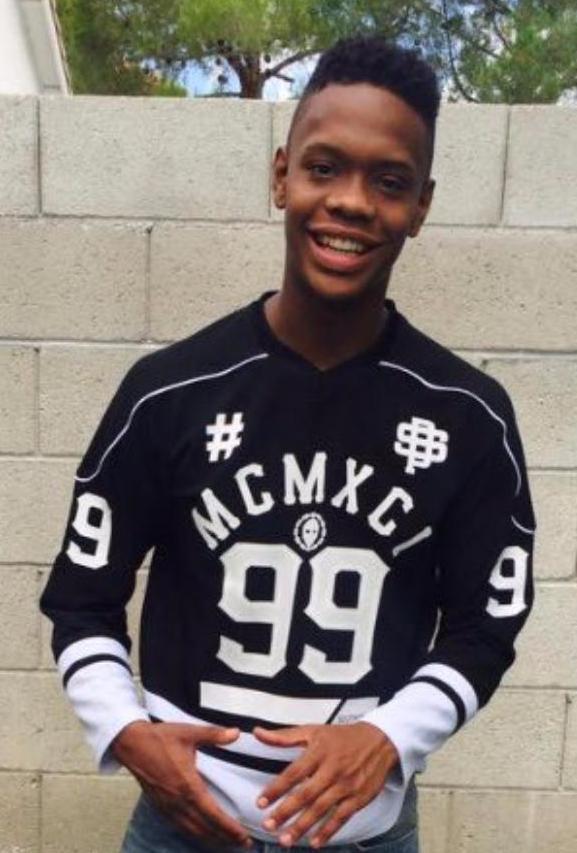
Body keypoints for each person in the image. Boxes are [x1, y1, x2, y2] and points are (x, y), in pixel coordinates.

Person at [40, 36, 535, 853]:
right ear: (281, 177)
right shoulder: (169, 390)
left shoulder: (468, 416)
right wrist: (127, 732)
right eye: (323, 167)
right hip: (186, 823)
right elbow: (81, 600)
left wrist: (389, 735)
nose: (351, 202)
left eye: (389, 181)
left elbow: (486, 621)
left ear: (420, 206)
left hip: (364, 832)